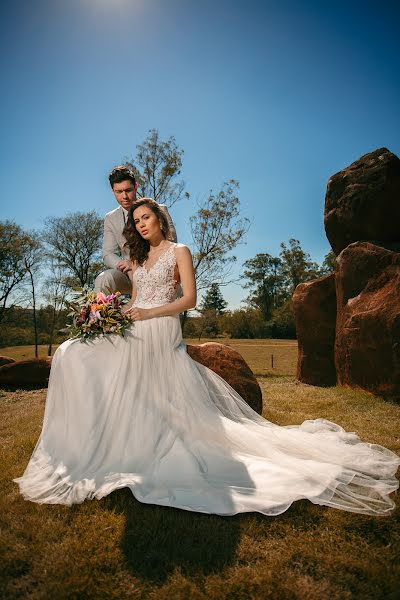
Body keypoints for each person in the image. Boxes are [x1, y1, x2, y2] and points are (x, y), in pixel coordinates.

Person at [14, 199, 399, 516]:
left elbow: (189, 300)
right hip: (139, 321)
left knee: (109, 360)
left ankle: (133, 441)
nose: (142, 224)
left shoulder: (179, 251)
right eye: (136, 221)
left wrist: (149, 314)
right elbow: (135, 300)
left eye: (146, 217)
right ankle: (81, 443)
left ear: (161, 219)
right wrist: (114, 320)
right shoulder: (139, 258)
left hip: (163, 324)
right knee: (72, 352)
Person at [94, 165, 177, 295]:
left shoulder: (159, 210)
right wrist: (124, 266)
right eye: (119, 192)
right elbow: (108, 253)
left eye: (128, 190)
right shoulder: (110, 218)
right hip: (127, 274)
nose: (124, 196)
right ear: (112, 191)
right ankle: (96, 314)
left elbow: (171, 244)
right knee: (104, 279)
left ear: (136, 187)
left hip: (156, 271)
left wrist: (135, 264)